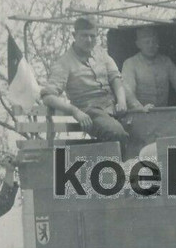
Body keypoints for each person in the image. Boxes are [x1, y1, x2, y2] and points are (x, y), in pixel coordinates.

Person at [41, 16, 139, 152]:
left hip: (113, 107)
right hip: (90, 111)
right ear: (74, 35)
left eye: (93, 36)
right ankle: (121, 170)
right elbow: (48, 96)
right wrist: (75, 112)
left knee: (144, 127)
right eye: (84, 36)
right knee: (117, 133)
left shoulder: (100, 53)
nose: (89, 40)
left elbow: (115, 78)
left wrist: (121, 101)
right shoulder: (64, 63)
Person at [121, 26, 176, 108]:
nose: (151, 45)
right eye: (147, 42)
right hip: (138, 114)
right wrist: (139, 108)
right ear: (138, 44)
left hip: (162, 113)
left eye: (154, 42)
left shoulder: (166, 62)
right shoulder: (130, 63)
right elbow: (128, 91)